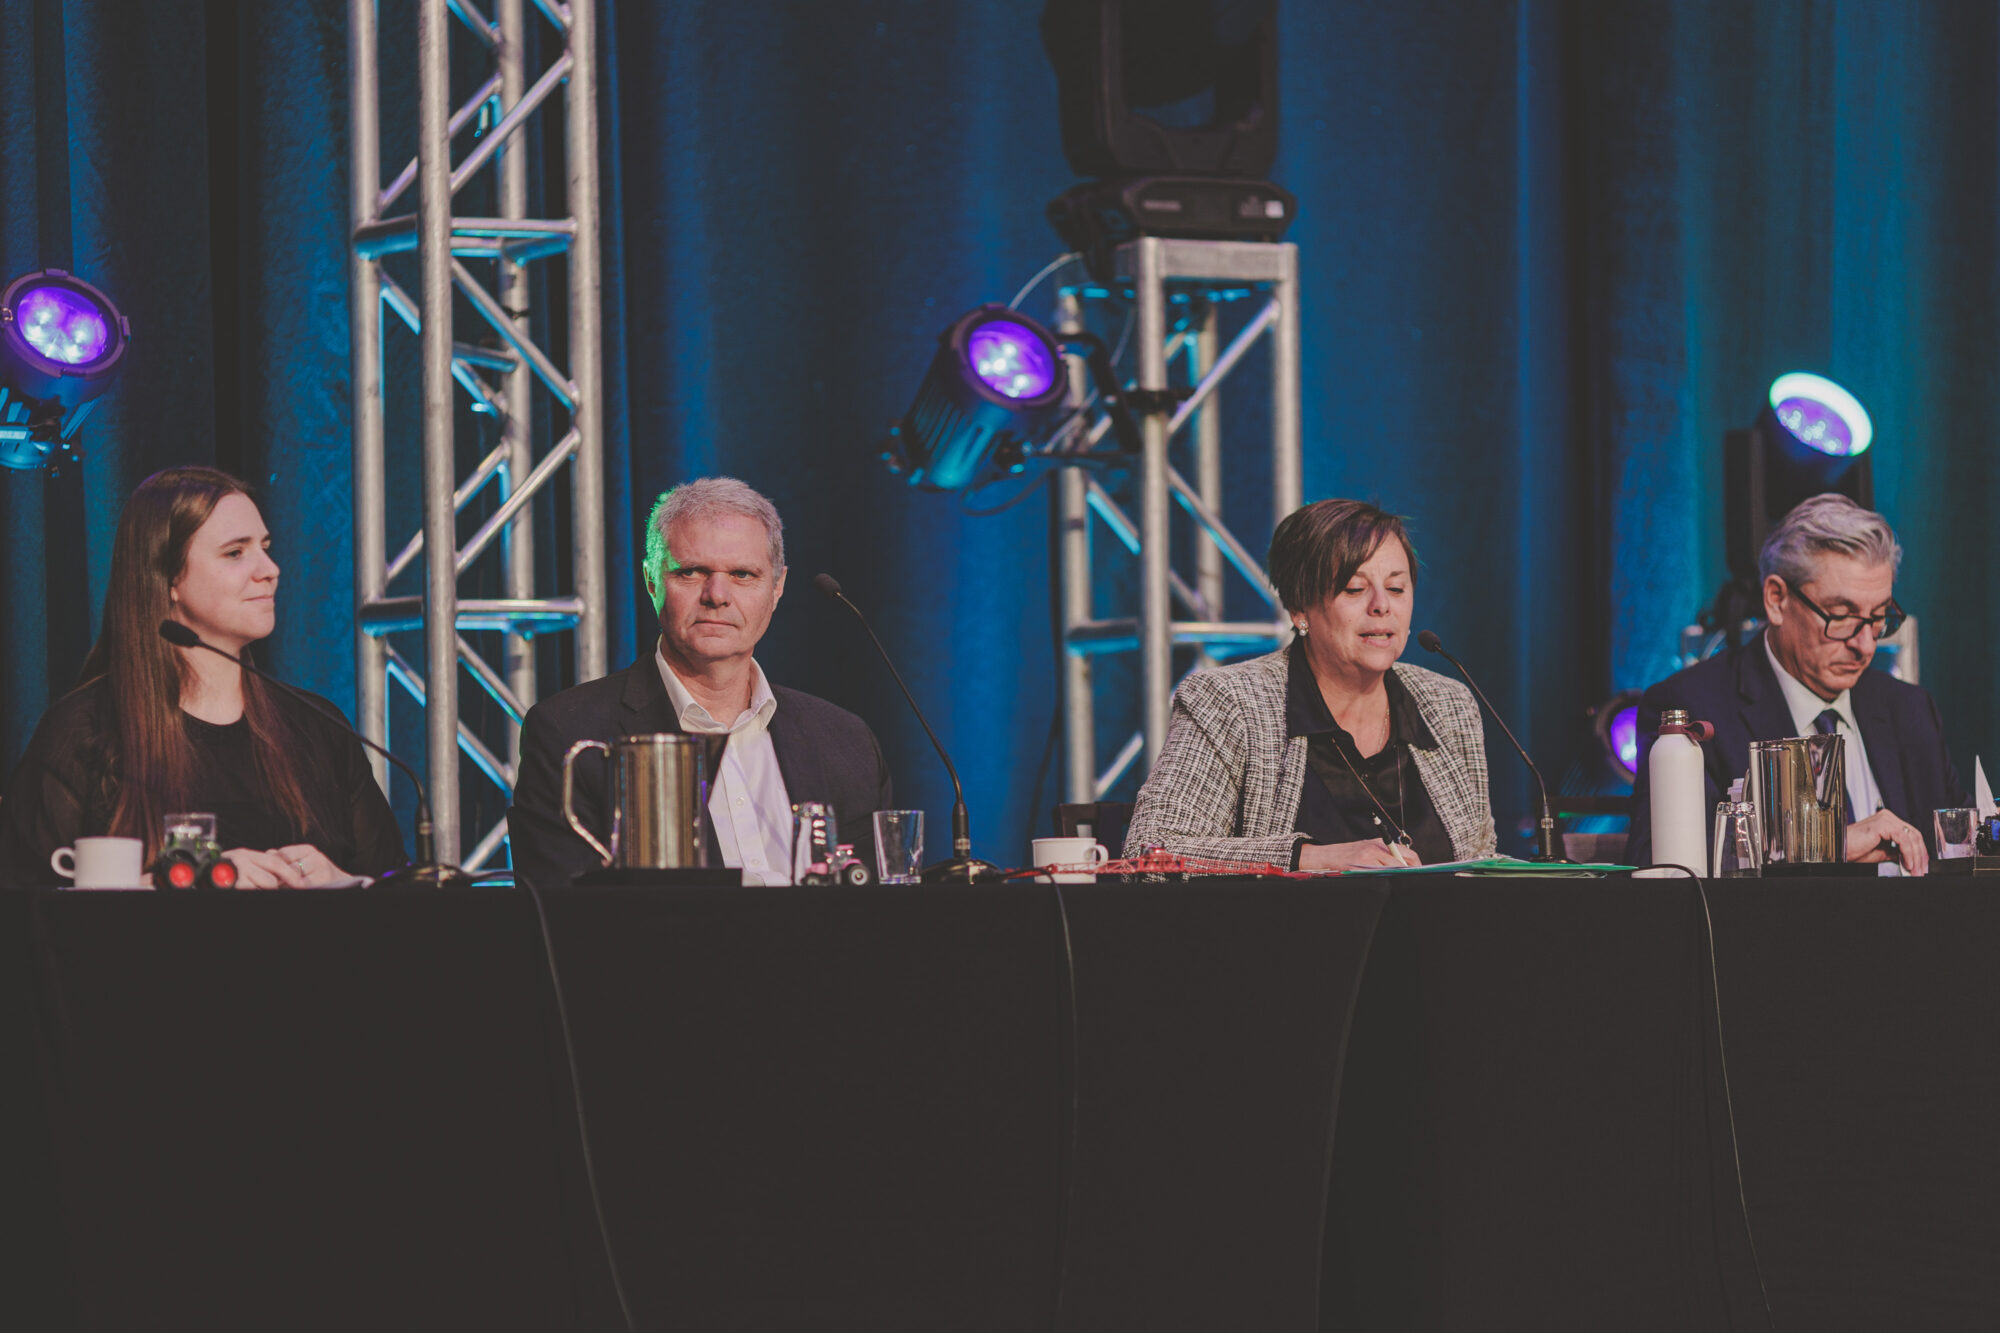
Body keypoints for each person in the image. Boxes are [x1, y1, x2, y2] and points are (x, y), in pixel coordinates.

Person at [0, 466, 406, 888]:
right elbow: (23, 908)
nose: (270, 569)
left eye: (266, 547)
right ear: (168, 578)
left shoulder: (319, 728)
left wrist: (343, 883)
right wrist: (184, 882)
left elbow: (400, 897)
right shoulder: (84, 733)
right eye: (235, 553)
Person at [509, 477, 893, 890]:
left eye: (743, 574)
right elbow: (559, 916)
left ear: (777, 587)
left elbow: (877, 910)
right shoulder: (570, 733)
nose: (717, 595)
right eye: (691, 572)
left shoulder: (846, 741)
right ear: (651, 580)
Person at [1123, 499, 1496, 870]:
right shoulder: (1230, 702)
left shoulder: (1447, 705)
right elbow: (1149, 853)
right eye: (1354, 588)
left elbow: (1481, 859)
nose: (1382, 605)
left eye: (1396, 589)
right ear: (1300, 609)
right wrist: (1307, 857)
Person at [1627, 493, 1963, 874]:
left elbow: (1960, 852)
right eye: (1841, 616)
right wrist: (1826, 845)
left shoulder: (1910, 710)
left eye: (1879, 617)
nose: (1866, 645)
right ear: (1777, 600)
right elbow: (1662, 870)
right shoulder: (1693, 707)